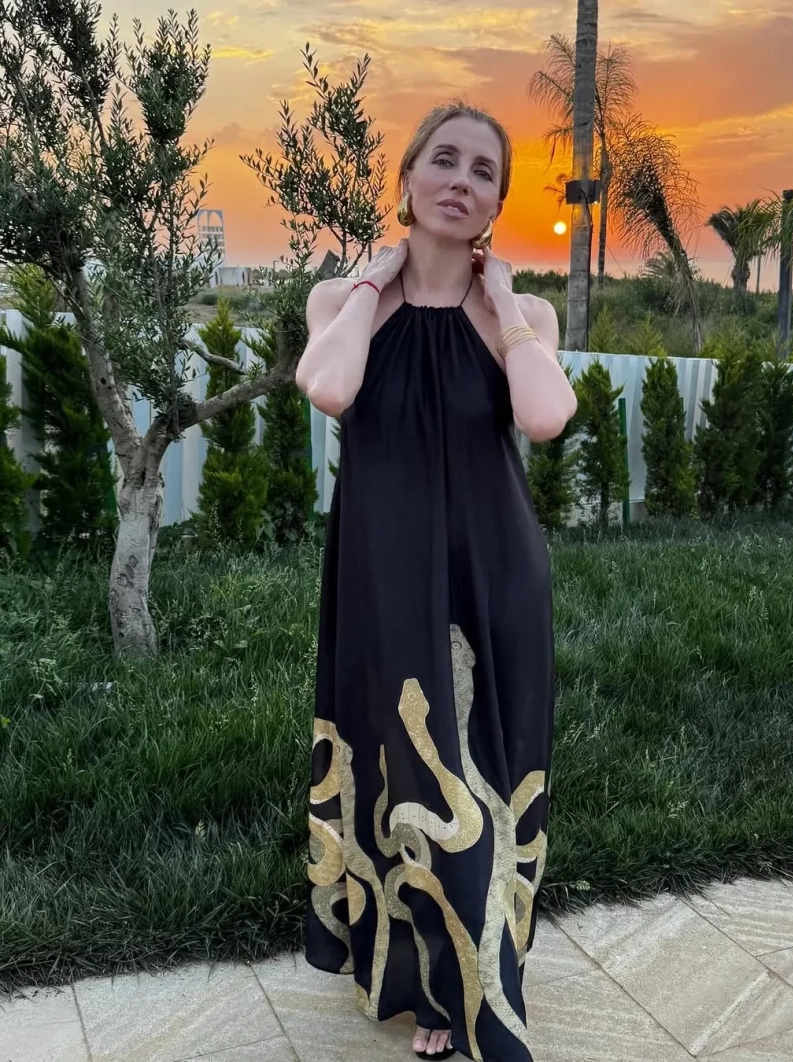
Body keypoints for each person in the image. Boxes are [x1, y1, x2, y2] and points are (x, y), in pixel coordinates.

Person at [296, 100, 577, 1062]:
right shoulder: (339, 304)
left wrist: (504, 308)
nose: (461, 180)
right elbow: (331, 388)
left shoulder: (523, 316)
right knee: (405, 773)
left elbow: (545, 417)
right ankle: (424, 979)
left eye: (483, 171)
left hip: (496, 577)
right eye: (444, 161)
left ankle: (474, 987)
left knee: (486, 772)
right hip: (384, 579)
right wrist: (375, 284)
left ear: (497, 202)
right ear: (408, 179)